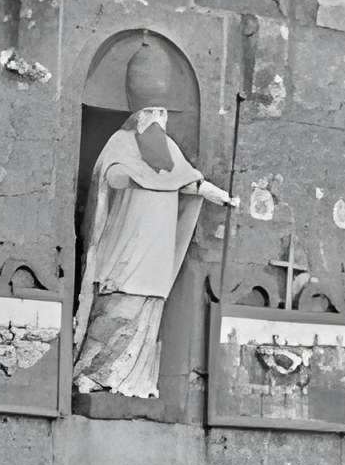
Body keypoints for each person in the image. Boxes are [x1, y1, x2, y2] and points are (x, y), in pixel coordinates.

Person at [71, 35, 233, 402]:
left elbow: (188, 180)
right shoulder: (121, 144)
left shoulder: (169, 148)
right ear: (138, 115)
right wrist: (141, 178)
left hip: (155, 249)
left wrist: (214, 193)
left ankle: (134, 379)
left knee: (147, 311)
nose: (158, 119)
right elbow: (108, 178)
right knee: (117, 305)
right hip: (125, 244)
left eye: (162, 113)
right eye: (151, 113)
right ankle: (94, 374)